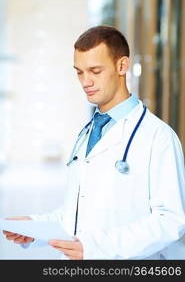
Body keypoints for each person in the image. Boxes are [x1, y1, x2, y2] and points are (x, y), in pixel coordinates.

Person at [3, 25, 185, 260]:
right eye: (79, 72)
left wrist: (97, 248)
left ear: (122, 66)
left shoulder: (158, 137)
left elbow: (171, 221)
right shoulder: (89, 132)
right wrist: (34, 228)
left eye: (95, 71)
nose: (85, 81)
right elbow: (78, 213)